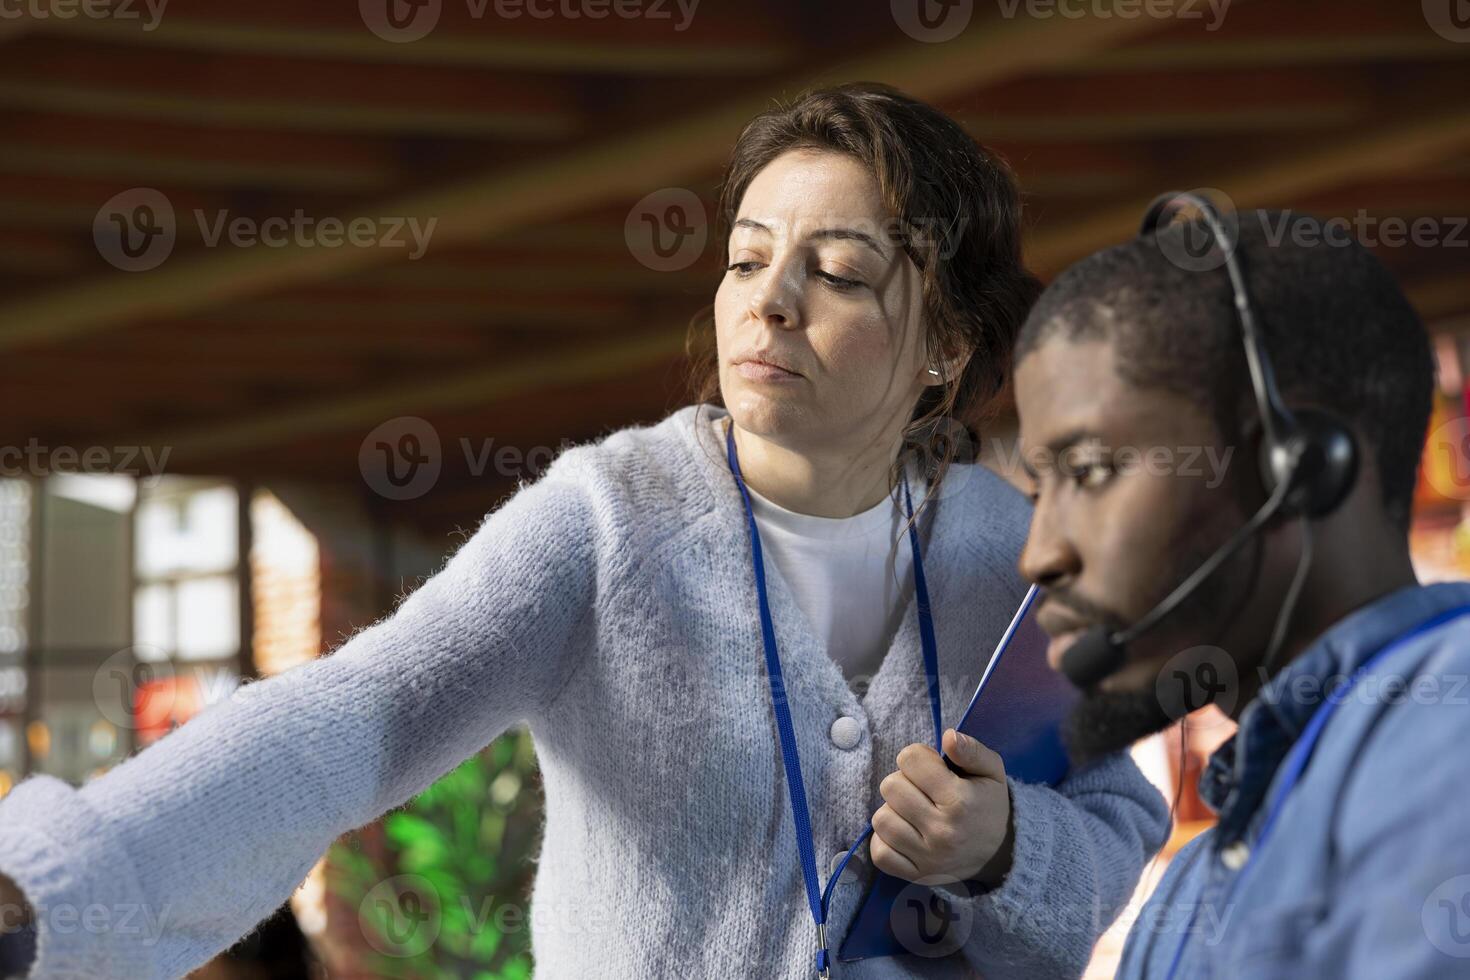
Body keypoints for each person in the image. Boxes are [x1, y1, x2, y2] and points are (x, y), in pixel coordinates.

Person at [0, 82, 1167, 979]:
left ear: (947, 349)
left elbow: (1118, 818)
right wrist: (54, 885)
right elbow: (356, 718)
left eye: (841, 272)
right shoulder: (610, 519)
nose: (768, 299)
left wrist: (1007, 840)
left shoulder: (1016, 549)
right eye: (747, 257)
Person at [1012, 201, 1468, 977]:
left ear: (1298, 465)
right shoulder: (1199, 876)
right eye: (1037, 492)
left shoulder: (1444, 733)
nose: (1039, 555)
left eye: (1088, 473)